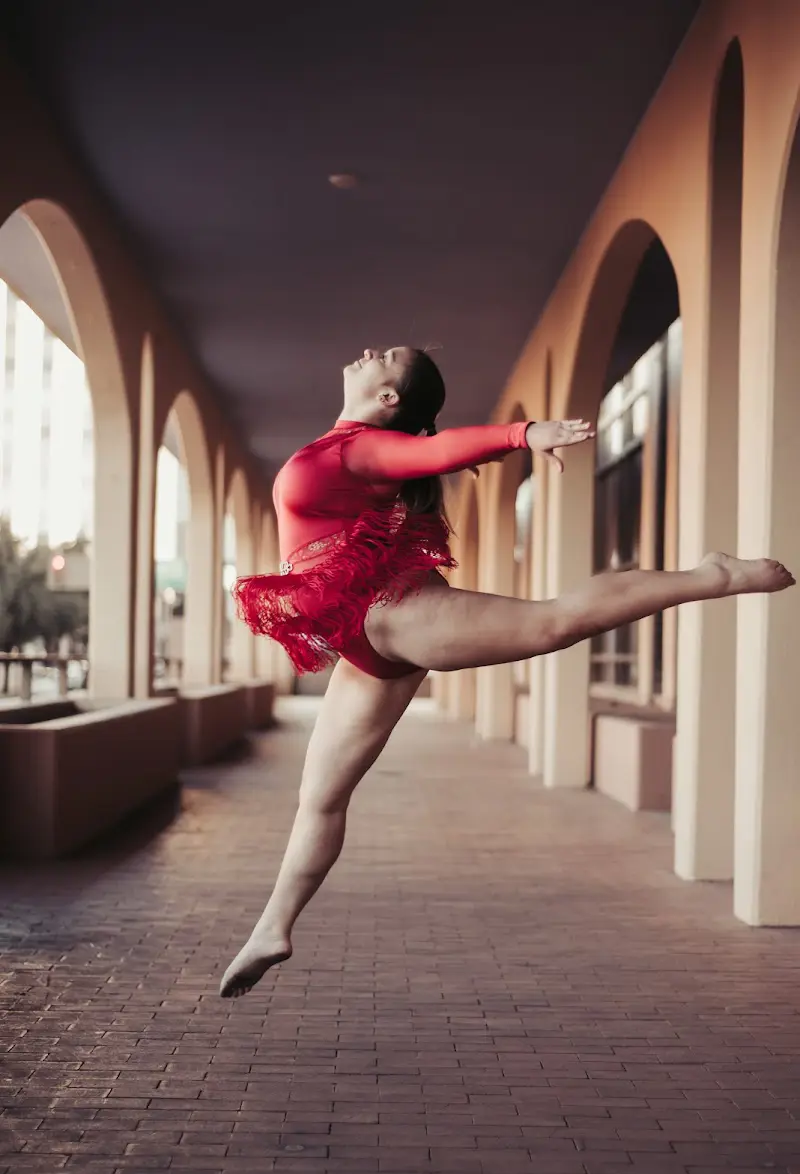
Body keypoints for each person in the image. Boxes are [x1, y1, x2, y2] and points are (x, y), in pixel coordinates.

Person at [220, 346, 794, 998]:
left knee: (553, 622)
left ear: (388, 400)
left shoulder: (364, 447)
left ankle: (711, 574)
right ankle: (274, 926)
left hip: (400, 614)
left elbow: (436, 453)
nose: (372, 351)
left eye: (389, 357)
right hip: (364, 640)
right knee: (318, 796)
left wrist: (523, 434)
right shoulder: (341, 445)